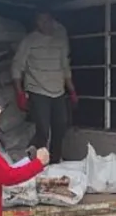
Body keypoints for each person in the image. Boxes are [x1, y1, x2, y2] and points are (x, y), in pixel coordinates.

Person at [11, 10, 78, 164]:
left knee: (61, 126)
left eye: (46, 20)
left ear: (52, 20)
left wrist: (72, 91)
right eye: (40, 21)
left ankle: (54, 161)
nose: (44, 24)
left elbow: (65, 67)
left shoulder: (60, 40)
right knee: (43, 130)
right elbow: (17, 66)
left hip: (58, 91)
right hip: (37, 90)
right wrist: (19, 93)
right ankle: (33, 161)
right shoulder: (29, 41)